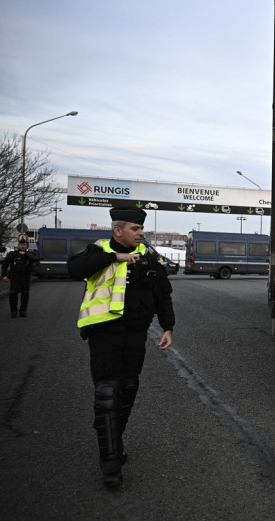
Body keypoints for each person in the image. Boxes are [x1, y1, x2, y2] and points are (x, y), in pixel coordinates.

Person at [67, 207, 175, 489]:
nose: (141, 233)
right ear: (118, 230)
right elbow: (74, 268)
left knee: (127, 389)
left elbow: (163, 295)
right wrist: (115, 257)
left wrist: (168, 328)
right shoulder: (98, 251)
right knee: (107, 394)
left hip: (136, 336)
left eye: (142, 229)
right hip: (104, 335)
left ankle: (111, 433)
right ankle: (110, 463)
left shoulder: (149, 258)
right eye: (135, 229)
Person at [1, 238, 38, 318]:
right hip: (14, 277)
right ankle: (13, 310)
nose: (22, 246)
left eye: (24, 244)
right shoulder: (12, 254)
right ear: (18, 245)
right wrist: (4, 275)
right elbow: (5, 264)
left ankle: (23, 310)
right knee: (13, 294)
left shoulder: (29, 254)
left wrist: (26, 254)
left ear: (26, 245)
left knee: (25, 294)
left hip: (25, 277)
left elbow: (36, 260)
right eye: (21, 244)